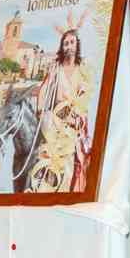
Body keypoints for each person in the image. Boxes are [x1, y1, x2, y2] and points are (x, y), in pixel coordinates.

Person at [33, 17, 92, 192]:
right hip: (55, 123)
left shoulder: (84, 69)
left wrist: (76, 115)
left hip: (75, 123)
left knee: (77, 158)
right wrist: (41, 111)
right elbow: (44, 90)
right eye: (65, 43)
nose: (68, 46)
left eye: (72, 42)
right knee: (47, 159)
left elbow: (86, 96)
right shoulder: (55, 68)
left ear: (77, 44)